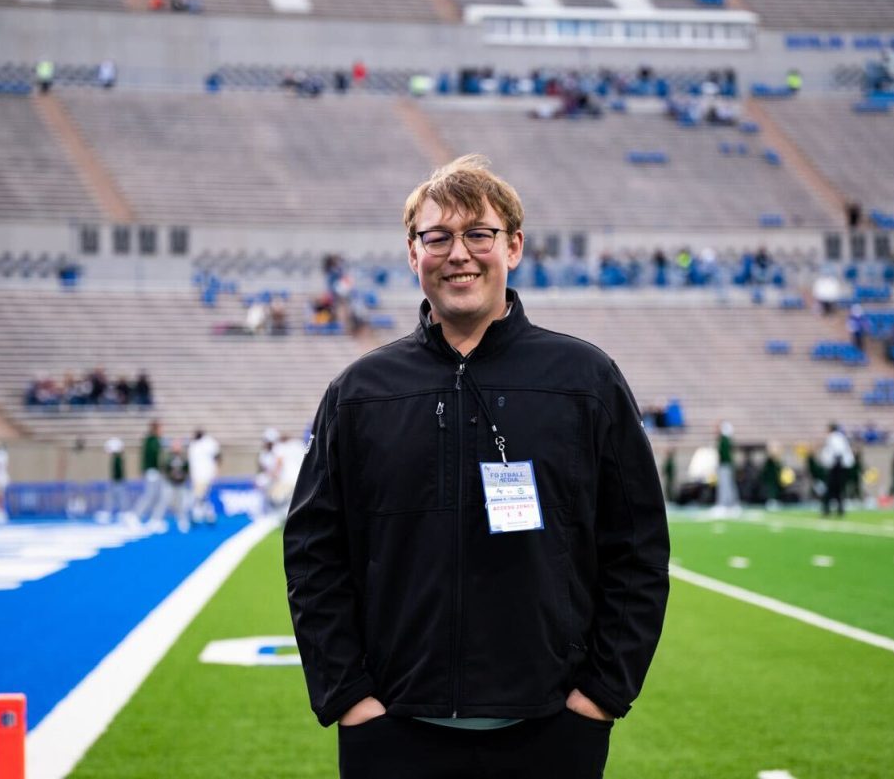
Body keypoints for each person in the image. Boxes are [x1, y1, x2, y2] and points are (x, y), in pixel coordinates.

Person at [283, 155, 669, 779]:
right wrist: (349, 699)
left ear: (513, 246)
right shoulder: (360, 392)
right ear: (413, 254)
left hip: (551, 731)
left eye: (478, 235)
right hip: (394, 731)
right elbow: (313, 555)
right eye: (437, 237)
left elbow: (639, 548)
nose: (458, 253)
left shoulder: (585, 381)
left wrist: (599, 697)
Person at [131, 421, 164, 522]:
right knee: (149, 495)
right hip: (152, 471)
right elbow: (152, 458)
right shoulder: (152, 441)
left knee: (156, 495)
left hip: (153, 471)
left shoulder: (152, 440)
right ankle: (135, 514)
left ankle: (154, 518)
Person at [819, 423, 854, 517]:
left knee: (830, 489)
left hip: (836, 467)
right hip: (840, 467)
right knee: (838, 490)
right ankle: (840, 510)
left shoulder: (834, 437)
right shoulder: (840, 437)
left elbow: (837, 452)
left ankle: (827, 510)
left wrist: (834, 466)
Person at [187, 429, 220, 526]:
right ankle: (209, 516)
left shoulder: (208, 443)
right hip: (197, 475)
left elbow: (217, 456)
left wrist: (216, 469)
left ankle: (199, 516)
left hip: (205, 475)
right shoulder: (193, 445)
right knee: (202, 497)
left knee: (199, 496)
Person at [714, 421, 739, 510]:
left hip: (725, 465)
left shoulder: (724, 440)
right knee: (728, 484)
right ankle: (731, 503)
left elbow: (723, 454)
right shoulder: (726, 440)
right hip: (727, 465)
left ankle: (725, 504)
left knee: (725, 485)